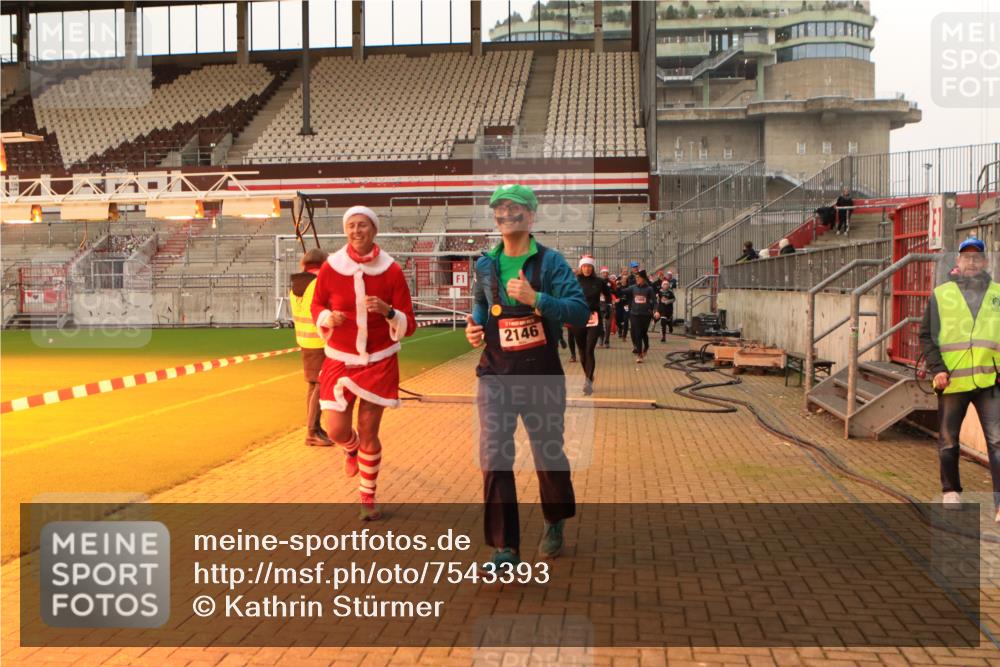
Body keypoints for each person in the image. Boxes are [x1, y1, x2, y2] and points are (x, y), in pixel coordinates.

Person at [465, 183, 589, 566]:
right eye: (499, 209)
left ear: (530, 216)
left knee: (548, 452)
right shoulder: (486, 264)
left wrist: (537, 299)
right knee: (494, 454)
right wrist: (474, 327)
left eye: (514, 208)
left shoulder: (550, 263)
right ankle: (505, 547)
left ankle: (555, 518)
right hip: (496, 372)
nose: (506, 214)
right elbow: (481, 309)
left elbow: (580, 312)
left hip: (541, 373)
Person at [312, 206, 417, 521]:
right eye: (352, 226)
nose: (357, 231)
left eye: (363, 226)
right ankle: (350, 448)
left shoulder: (392, 271)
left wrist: (388, 312)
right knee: (335, 429)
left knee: (369, 429)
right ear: (346, 230)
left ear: (374, 230)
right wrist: (327, 317)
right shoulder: (332, 267)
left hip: (379, 361)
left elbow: (408, 323)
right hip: (339, 359)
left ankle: (367, 498)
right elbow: (317, 303)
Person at [918, 237, 1000, 518]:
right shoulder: (941, 295)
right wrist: (937, 369)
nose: (972, 262)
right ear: (958, 262)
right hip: (952, 381)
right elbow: (927, 336)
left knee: (998, 441)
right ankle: (951, 491)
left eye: (977, 257)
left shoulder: (997, 294)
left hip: (990, 381)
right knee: (949, 439)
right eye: (967, 257)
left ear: (986, 262)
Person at [290, 248, 332, 447]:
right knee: (321, 385)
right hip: (320, 340)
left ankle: (315, 428)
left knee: (314, 385)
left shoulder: (296, 285)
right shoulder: (319, 283)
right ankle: (312, 432)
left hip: (305, 340)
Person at [569, 255, 612, 395]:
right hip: (577, 317)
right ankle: (588, 374)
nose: (587, 269)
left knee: (589, 350)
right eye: (584, 266)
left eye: (589, 266)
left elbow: (608, 295)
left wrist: (608, 307)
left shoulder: (599, 281)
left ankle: (588, 381)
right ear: (581, 267)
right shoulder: (574, 281)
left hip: (594, 317)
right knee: (581, 350)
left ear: (592, 267)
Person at [623, 270, 656, 362]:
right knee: (637, 333)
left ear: (643, 279)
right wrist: (619, 286)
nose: (637, 279)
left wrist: (656, 311)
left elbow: (655, 301)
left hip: (646, 315)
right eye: (636, 278)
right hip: (634, 314)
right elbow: (622, 291)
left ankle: (647, 346)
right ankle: (639, 354)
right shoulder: (633, 288)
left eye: (639, 278)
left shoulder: (649, 289)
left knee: (643, 333)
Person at [599, 267, 614, 348]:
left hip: (608, 305)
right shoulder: (597, 282)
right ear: (601, 273)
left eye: (606, 273)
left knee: (608, 324)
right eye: (603, 273)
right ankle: (601, 337)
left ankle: (607, 341)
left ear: (608, 273)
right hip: (599, 305)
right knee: (599, 323)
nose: (605, 274)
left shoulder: (611, 283)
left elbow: (616, 292)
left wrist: (616, 298)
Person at [615, 275, 630, 341]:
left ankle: (624, 335)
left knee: (626, 320)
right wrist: (615, 299)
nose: (624, 280)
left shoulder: (629, 287)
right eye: (623, 279)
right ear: (621, 280)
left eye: (625, 279)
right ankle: (620, 328)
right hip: (618, 305)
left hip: (626, 305)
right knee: (618, 319)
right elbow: (614, 295)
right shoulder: (618, 287)